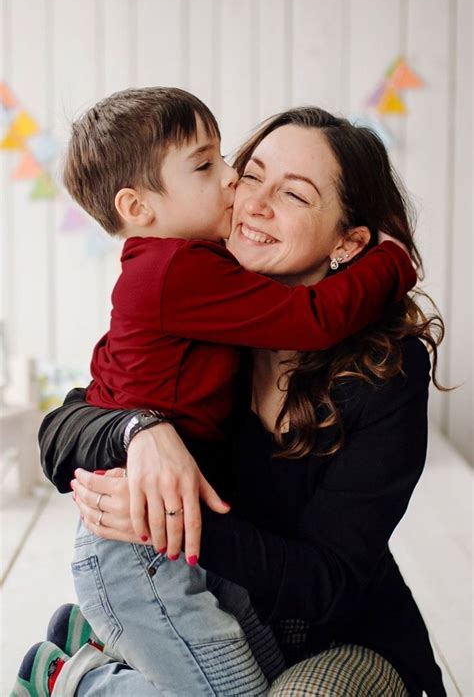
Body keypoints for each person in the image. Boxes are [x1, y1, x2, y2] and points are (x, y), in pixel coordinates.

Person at [20, 107, 445, 696]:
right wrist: (140, 431)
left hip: (339, 636)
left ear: (348, 242)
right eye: (252, 175)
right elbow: (66, 425)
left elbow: (329, 580)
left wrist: (175, 521)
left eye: (293, 194)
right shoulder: (200, 308)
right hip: (204, 600)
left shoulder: (387, 371)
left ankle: (87, 680)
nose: (253, 202)